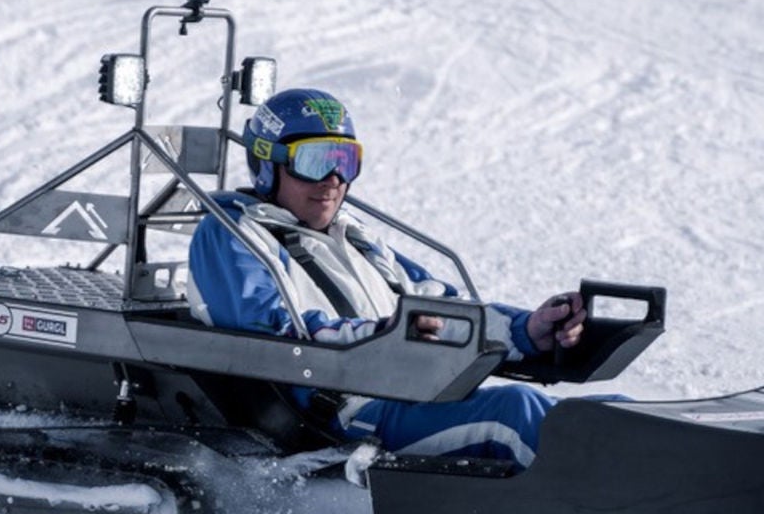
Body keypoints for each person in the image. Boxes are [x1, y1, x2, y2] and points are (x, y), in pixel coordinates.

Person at [185, 88, 586, 468]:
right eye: (314, 162)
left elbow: (438, 307)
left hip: (406, 392)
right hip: (344, 411)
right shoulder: (231, 234)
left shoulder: (355, 237)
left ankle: (635, 478)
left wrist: (526, 331)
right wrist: (385, 336)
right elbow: (275, 335)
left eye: (344, 162)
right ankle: (609, 512)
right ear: (268, 165)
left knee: (598, 416)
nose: (333, 180)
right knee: (513, 413)